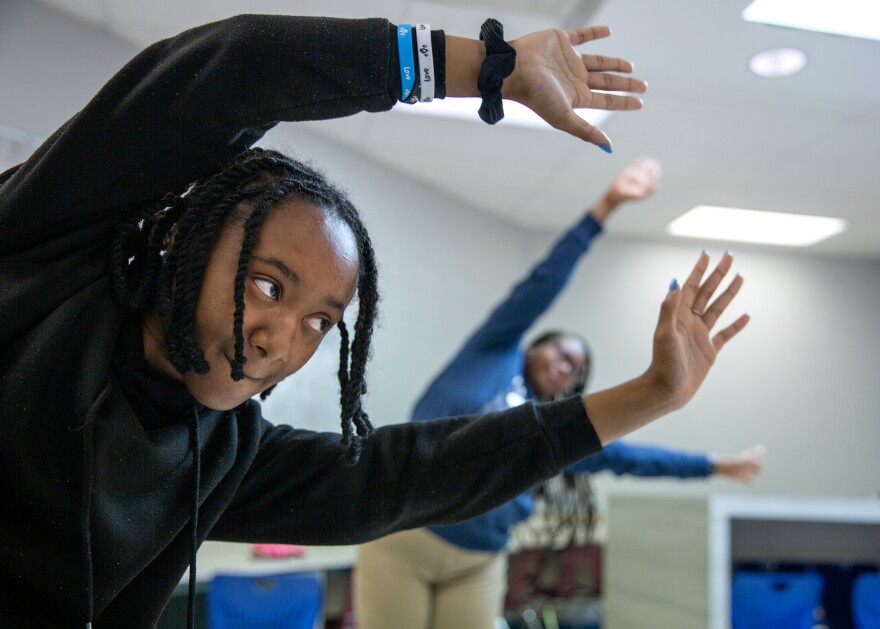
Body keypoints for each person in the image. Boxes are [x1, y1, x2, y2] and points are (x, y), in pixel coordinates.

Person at [0, 14, 749, 629]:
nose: (280, 340)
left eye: (321, 322)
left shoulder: (221, 454)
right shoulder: (52, 251)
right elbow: (231, 74)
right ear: (183, 240)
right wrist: (489, 68)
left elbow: (402, 476)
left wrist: (654, 394)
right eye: (267, 284)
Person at [354, 157, 763, 629]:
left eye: (577, 370)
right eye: (561, 352)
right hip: (405, 536)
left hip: (480, 560)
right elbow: (541, 284)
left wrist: (715, 465)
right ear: (533, 346)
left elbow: (629, 457)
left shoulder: (550, 434)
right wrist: (605, 207)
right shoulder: (494, 352)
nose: (567, 366)